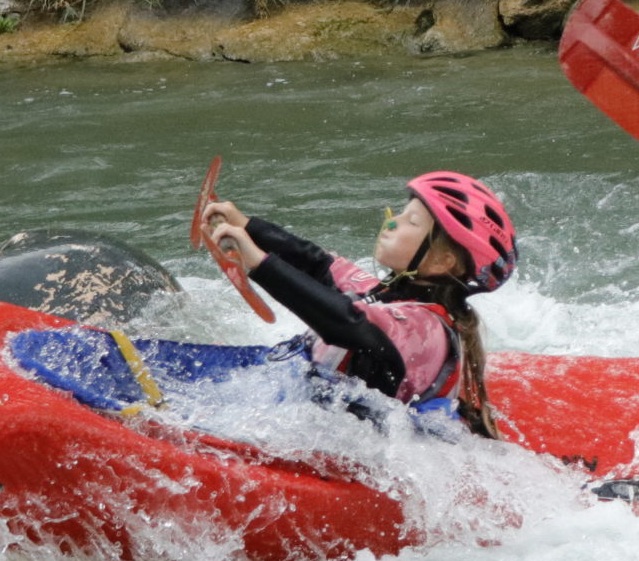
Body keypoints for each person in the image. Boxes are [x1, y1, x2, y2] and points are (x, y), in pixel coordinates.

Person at [198, 171, 517, 438]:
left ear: (443, 261)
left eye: (412, 222)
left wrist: (257, 262)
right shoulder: (384, 294)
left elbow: (348, 324)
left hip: (363, 455)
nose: (393, 222)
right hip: (316, 413)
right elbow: (319, 265)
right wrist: (248, 225)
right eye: (402, 212)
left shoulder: (426, 329)